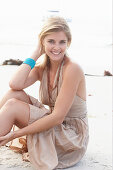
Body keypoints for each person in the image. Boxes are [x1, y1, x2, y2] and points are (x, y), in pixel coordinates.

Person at [0, 17, 89, 170]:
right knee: (12, 95)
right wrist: (35, 54)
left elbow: (57, 117)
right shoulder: (42, 67)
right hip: (55, 124)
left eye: (62, 42)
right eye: (51, 41)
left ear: (68, 43)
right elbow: (15, 84)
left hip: (71, 135)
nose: (57, 47)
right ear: (42, 42)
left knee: (12, 106)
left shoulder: (72, 69)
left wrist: (15, 134)